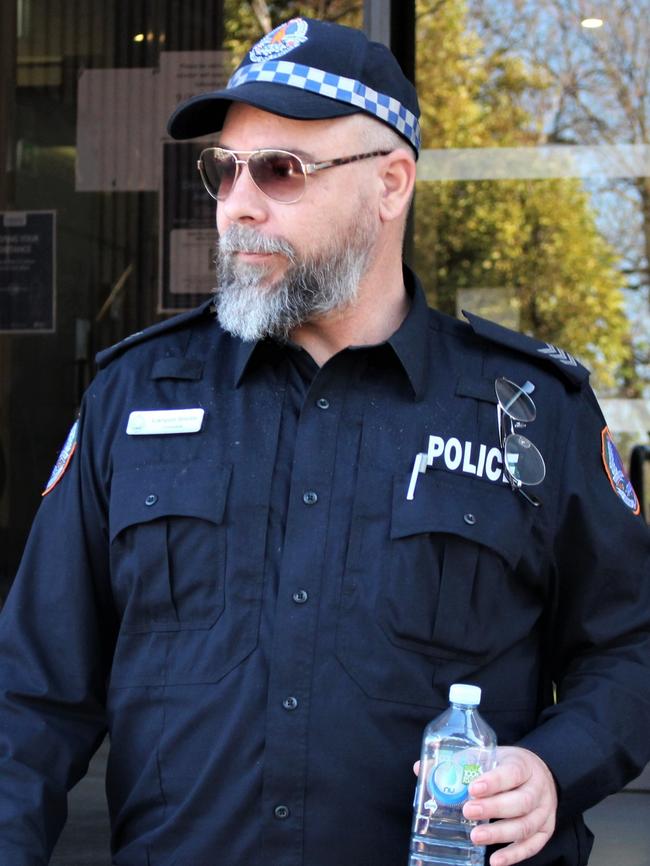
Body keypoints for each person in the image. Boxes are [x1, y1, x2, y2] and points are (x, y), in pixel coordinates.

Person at [0, 15, 648, 866]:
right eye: (223, 170)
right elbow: (31, 700)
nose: (239, 201)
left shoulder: (528, 409)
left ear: (391, 183)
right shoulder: (134, 396)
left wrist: (556, 768)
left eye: (281, 168)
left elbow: (633, 644)